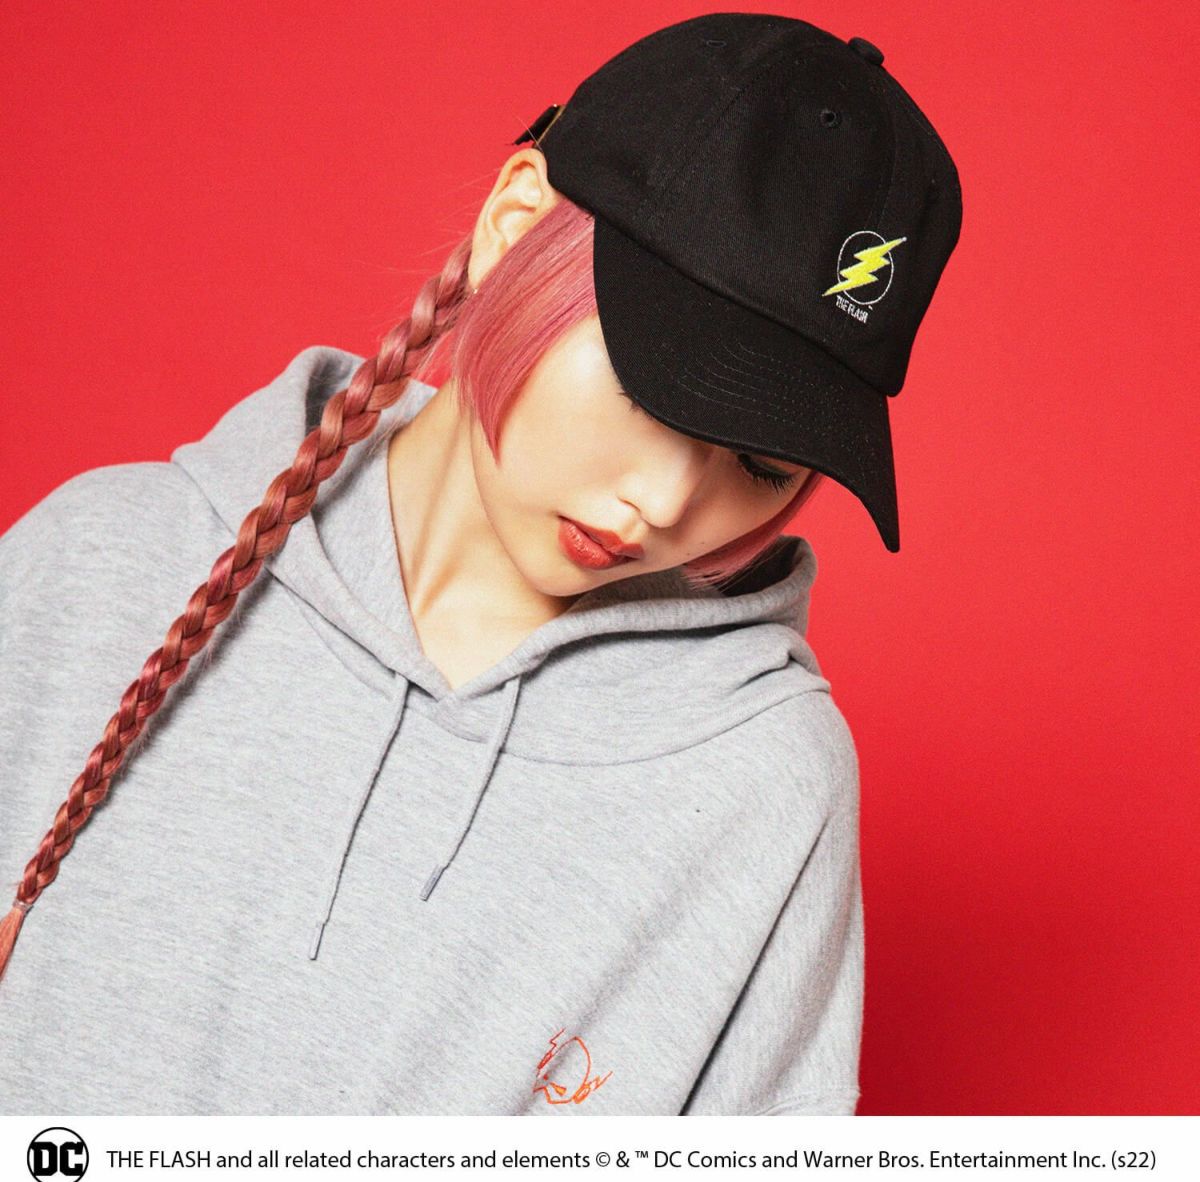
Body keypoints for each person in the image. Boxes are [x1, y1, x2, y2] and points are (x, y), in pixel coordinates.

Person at [0, 12, 961, 1115]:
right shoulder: (101, 569)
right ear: (514, 224)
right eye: (653, 393)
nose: (666, 505)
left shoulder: (759, 780)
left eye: (759, 464)